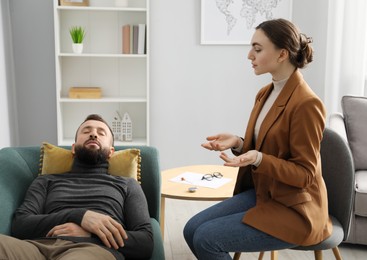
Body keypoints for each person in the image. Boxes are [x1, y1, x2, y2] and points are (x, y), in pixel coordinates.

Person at [183, 18, 332, 259]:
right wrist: (239, 143)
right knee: (191, 229)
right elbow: (264, 148)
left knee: (206, 238)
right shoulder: (266, 93)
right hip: (265, 192)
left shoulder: (307, 104)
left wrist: (259, 159)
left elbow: (305, 175)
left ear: (282, 54)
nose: (249, 55)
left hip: (294, 209)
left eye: (258, 48)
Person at [0, 114, 153, 260]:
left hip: (91, 249)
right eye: (86, 131)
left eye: (101, 133)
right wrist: (79, 216)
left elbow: (145, 242)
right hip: (36, 248)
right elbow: (20, 224)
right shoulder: (46, 181)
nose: (93, 134)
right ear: (73, 148)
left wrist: (92, 234)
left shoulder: (126, 185)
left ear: (111, 152)